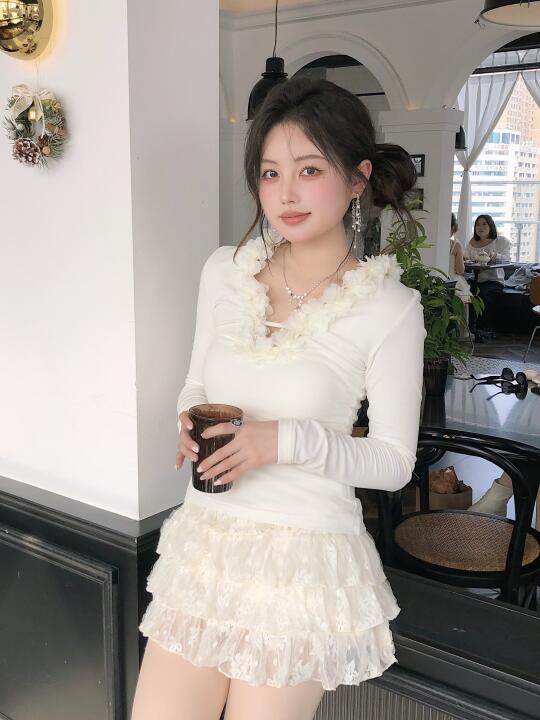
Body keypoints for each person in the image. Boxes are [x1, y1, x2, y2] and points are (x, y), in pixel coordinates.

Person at [131, 76, 426, 720]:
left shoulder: (391, 308)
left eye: (309, 170)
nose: (285, 194)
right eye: (270, 173)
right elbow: (197, 382)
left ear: (357, 179)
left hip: (303, 562)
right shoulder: (225, 270)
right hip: (206, 547)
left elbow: (394, 463)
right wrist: (187, 417)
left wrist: (285, 440)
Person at [463, 214, 511, 341]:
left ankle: (484, 329)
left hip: (494, 281)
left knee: (482, 293)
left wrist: (496, 256)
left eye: (484, 224)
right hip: (475, 279)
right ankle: (470, 329)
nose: (480, 227)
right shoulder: (472, 242)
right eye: (477, 225)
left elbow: (507, 259)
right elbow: (466, 258)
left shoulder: (501, 241)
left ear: (491, 226)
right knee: (467, 292)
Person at [449, 213, 472, 305]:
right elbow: (460, 270)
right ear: (453, 228)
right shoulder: (456, 245)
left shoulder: (432, 243)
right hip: (453, 282)